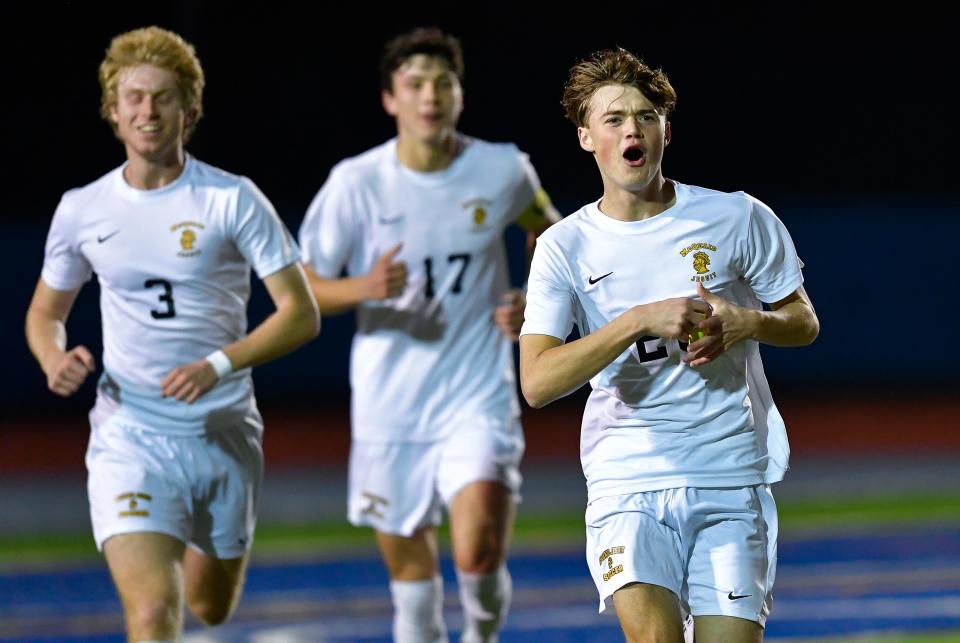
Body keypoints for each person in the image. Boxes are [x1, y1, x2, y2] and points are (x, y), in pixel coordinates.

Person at [24, 26, 319, 642]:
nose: (147, 111)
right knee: (155, 611)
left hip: (222, 434)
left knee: (210, 607)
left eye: (162, 97)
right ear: (112, 110)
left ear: (190, 108)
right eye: (133, 97)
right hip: (129, 435)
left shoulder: (232, 199)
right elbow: (44, 312)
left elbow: (300, 313)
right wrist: (52, 356)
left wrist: (217, 365)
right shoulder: (83, 208)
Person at [518, 48, 819, 643]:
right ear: (587, 138)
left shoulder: (737, 217)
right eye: (614, 118)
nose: (633, 128)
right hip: (625, 476)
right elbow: (537, 382)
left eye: (646, 115)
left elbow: (803, 321)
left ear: (665, 130)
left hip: (730, 472)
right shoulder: (564, 246)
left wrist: (746, 322)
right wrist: (634, 321)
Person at [298, 27, 558, 643]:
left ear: (460, 95)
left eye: (443, 83)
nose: (430, 97)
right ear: (390, 99)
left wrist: (536, 300)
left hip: (477, 394)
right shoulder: (356, 183)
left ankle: (483, 634)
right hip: (391, 405)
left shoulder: (502, 169)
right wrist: (365, 287)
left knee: (478, 550)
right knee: (413, 596)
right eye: (414, 85)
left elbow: (550, 236)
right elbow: (302, 285)